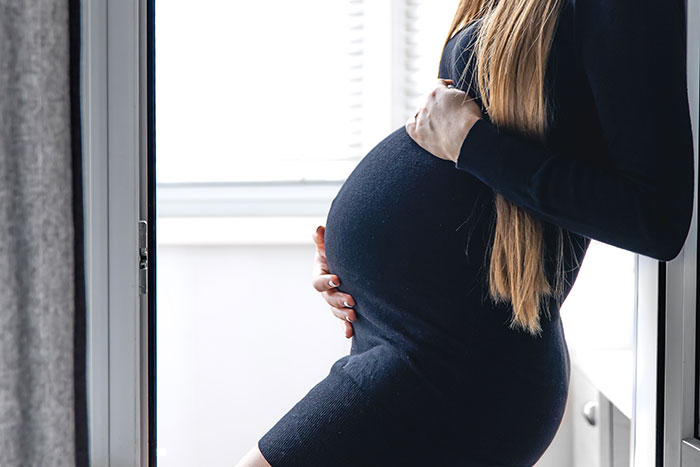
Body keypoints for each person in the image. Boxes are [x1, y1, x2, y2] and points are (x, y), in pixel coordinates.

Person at [236, 0, 694, 464]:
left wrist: (471, 144)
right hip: (398, 340)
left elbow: (655, 218)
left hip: (458, 367)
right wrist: (355, 267)